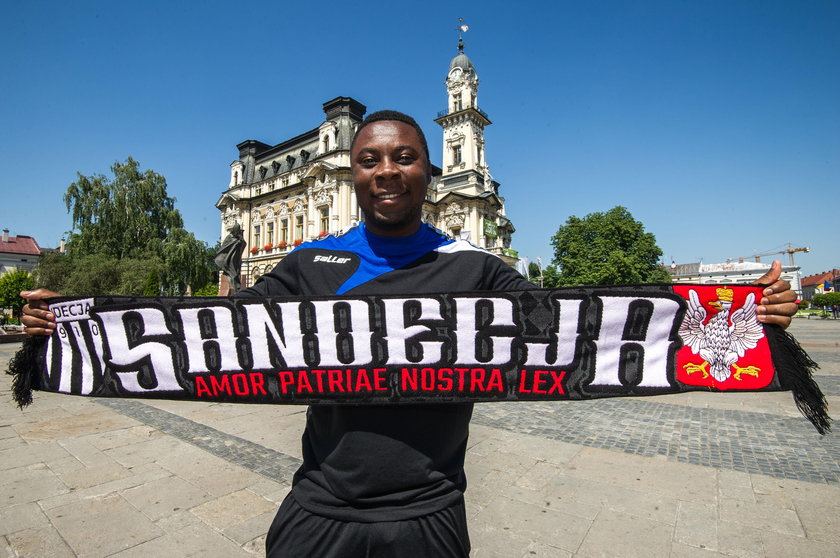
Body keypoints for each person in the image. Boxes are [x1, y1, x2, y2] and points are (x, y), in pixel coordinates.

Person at [20, 110, 799, 557]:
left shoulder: (474, 265)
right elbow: (208, 335)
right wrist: (64, 328)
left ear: (427, 170)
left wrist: (743, 321)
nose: (386, 171)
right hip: (317, 511)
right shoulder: (311, 261)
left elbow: (583, 329)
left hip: (429, 516)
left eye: (403, 158)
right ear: (351, 173)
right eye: (368, 159)